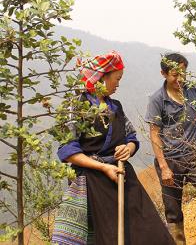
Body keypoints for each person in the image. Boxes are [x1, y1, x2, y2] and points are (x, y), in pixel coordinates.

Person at [52, 51, 175, 245]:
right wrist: (103, 167)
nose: (118, 84)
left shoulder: (115, 106)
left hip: (122, 174)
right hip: (92, 179)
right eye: (116, 79)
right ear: (101, 77)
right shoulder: (75, 106)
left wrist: (129, 147)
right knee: (108, 234)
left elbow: (131, 137)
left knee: (150, 229)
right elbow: (67, 150)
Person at [145, 53, 196, 244]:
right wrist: (164, 167)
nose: (179, 78)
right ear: (163, 73)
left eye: (183, 73)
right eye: (174, 74)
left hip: (195, 154)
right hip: (170, 160)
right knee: (173, 209)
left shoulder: (193, 89)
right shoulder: (157, 99)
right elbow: (154, 134)